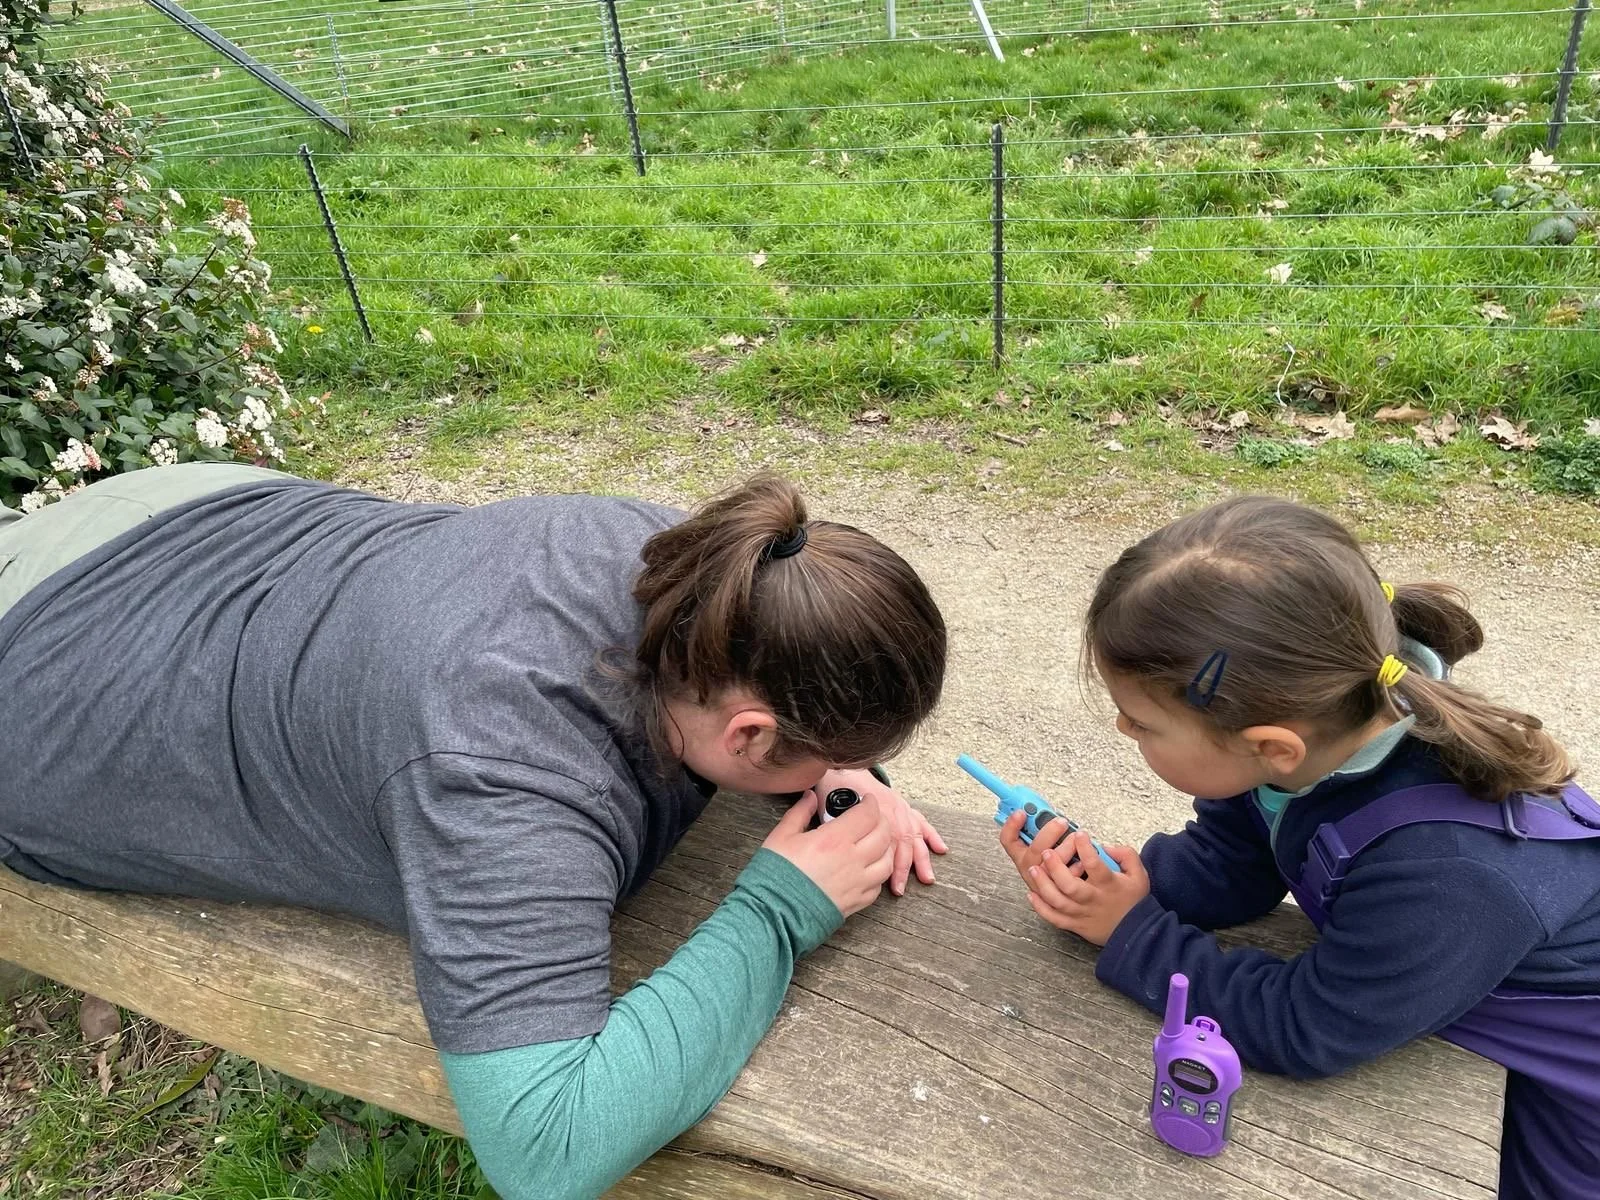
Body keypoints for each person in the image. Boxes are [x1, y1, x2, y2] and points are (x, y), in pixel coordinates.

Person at [0, 464, 949, 1199]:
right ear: (748, 733)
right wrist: (779, 910)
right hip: (40, 677)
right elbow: (546, 1149)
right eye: (820, 750)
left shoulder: (692, 561)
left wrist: (841, 764)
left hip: (194, 514)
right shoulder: (499, 774)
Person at [999, 495, 1600, 1200]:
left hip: (1569, 1092)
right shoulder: (1320, 717)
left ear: (1272, 748)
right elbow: (1235, 863)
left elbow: (1304, 1027)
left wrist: (1133, 935)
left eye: (1140, 721)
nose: (1122, 728)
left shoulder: (1448, 870)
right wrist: (1104, 882)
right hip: (1435, 983)